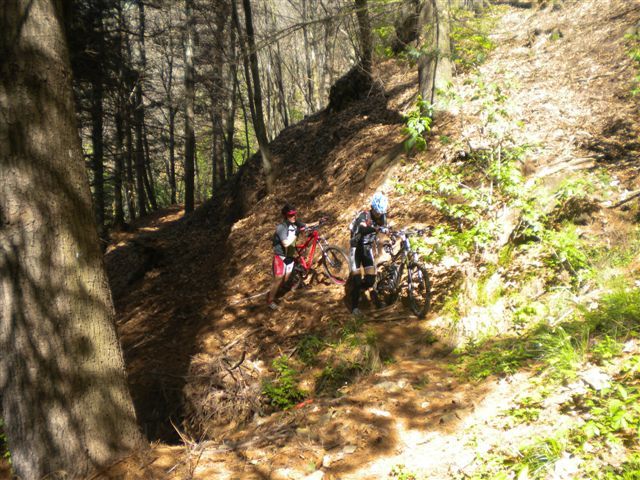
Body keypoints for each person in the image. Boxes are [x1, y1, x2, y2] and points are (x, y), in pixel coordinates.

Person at [266, 203, 321, 310]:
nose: (293, 217)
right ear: (285, 216)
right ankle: (270, 300)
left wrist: (319, 221)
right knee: (279, 278)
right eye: (291, 215)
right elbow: (286, 244)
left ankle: (278, 291)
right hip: (281, 256)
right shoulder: (281, 228)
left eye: (294, 214)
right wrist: (296, 233)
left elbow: (306, 225)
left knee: (285, 279)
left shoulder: (295, 223)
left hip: (290, 254)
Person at [348, 192, 389, 316]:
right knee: (356, 279)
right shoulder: (364, 215)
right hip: (356, 248)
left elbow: (385, 228)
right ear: (372, 208)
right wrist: (375, 229)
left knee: (370, 280)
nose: (378, 215)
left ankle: (360, 289)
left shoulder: (382, 216)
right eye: (377, 212)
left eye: (380, 213)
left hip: (367, 248)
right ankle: (354, 307)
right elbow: (362, 229)